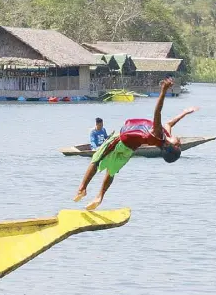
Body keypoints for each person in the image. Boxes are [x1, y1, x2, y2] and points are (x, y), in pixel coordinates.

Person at [73, 77, 199, 210]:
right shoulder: (165, 135)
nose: (179, 142)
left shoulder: (158, 134)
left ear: (168, 146)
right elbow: (169, 123)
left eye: (177, 145)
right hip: (129, 150)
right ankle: (99, 197)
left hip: (120, 140)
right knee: (111, 171)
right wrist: (185, 113)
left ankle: (82, 188)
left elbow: (158, 111)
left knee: (96, 159)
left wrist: (163, 90)